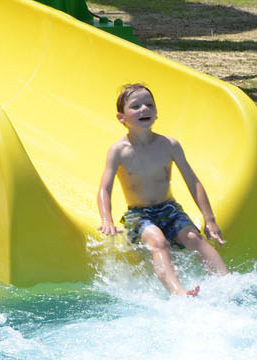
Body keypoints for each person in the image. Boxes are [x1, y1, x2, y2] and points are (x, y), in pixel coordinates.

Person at [97, 83, 228, 297]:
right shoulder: (118, 151)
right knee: (159, 242)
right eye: (136, 106)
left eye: (149, 105)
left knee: (194, 239)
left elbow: (192, 181)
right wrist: (107, 220)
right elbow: (105, 188)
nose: (144, 109)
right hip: (138, 214)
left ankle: (227, 283)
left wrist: (209, 219)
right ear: (121, 118)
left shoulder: (169, 145)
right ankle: (178, 292)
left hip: (169, 209)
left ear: (156, 113)